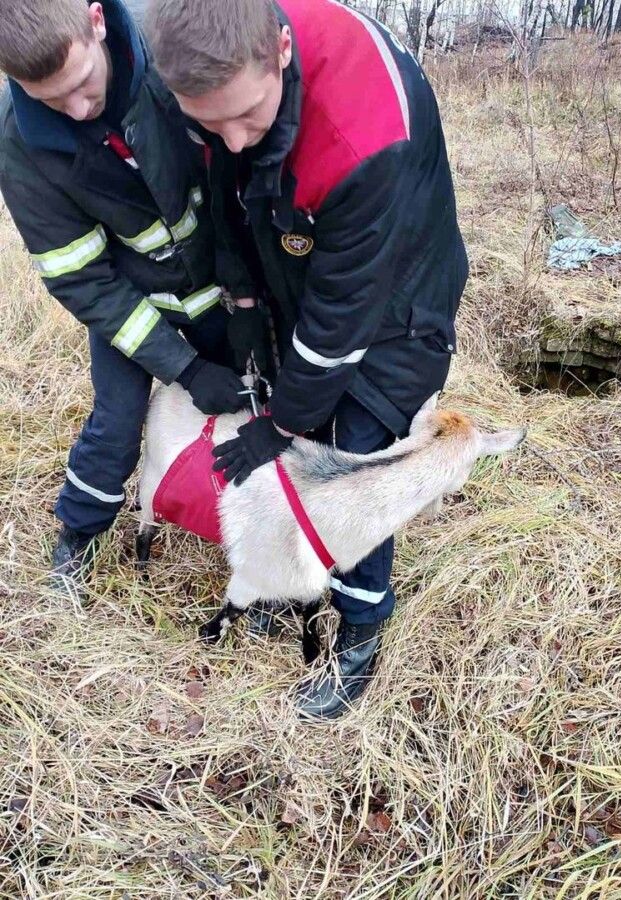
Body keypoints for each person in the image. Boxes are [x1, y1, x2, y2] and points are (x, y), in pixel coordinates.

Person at [146, 0, 469, 719]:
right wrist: (245, 316)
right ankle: (294, 579)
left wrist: (287, 419)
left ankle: (361, 624)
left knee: (353, 452)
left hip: (396, 309)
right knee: (290, 429)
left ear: (281, 51)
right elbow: (230, 209)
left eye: (249, 120)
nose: (230, 140)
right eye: (210, 123)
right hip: (297, 261)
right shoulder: (211, 79)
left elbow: (340, 323)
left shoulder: (363, 133)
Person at [0, 0, 262, 594]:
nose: (77, 109)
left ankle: (256, 546)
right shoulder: (19, 142)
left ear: (97, 22)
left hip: (225, 286)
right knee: (116, 425)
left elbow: (239, 179)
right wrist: (185, 368)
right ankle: (78, 533)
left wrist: (245, 303)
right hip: (133, 302)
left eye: (82, 83)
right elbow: (79, 278)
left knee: (258, 408)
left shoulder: (175, 51)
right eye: (49, 99)